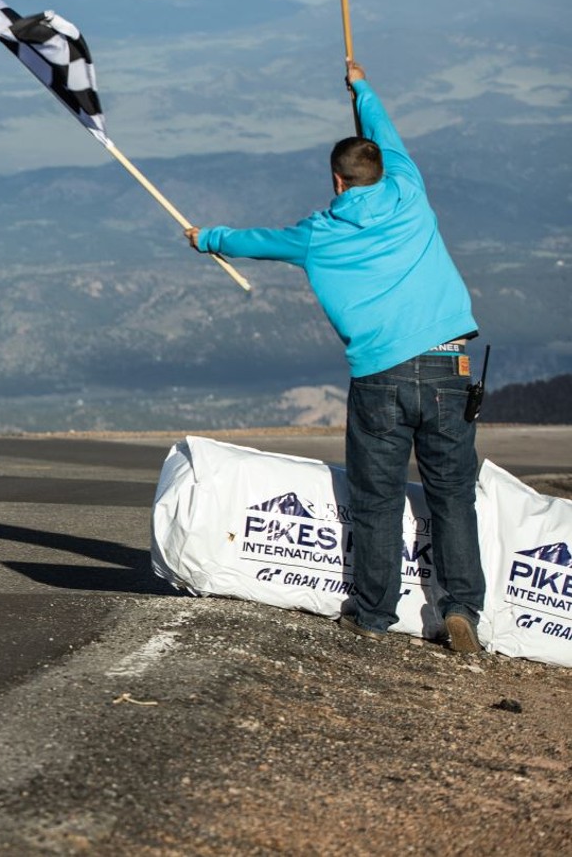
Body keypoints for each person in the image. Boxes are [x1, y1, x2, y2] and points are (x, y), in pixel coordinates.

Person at [185, 59, 483, 653]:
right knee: (452, 494)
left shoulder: (319, 233)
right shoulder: (408, 189)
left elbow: (255, 241)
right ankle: (462, 607)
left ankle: (374, 613)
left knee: (376, 497)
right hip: (450, 366)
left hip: (380, 377)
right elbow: (386, 133)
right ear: (378, 169)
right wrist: (363, 86)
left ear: (338, 182)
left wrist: (206, 238)